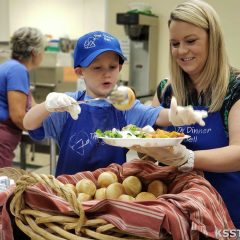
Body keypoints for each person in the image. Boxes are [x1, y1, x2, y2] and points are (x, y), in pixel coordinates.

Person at [23, 30, 207, 177]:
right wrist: (47, 106)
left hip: (111, 194)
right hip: (69, 196)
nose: (107, 74)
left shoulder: (124, 105)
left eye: (112, 67)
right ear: (80, 72)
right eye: (97, 67)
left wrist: (177, 115)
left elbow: (156, 115)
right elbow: (28, 123)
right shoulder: (68, 104)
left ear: (119, 68)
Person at [131, 0, 240, 229]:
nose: (181, 51)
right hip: (177, 216)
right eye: (174, 43)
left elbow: (238, 152)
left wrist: (188, 158)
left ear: (214, 40)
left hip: (226, 214)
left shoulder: (235, 88)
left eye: (190, 41)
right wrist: (141, 144)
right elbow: (149, 154)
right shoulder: (166, 90)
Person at [0, 27, 45, 167]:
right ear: (34, 52)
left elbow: (32, 105)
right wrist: (42, 131)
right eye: (43, 50)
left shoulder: (9, 66)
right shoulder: (17, 70)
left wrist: (54, 107)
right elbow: (18, 116)